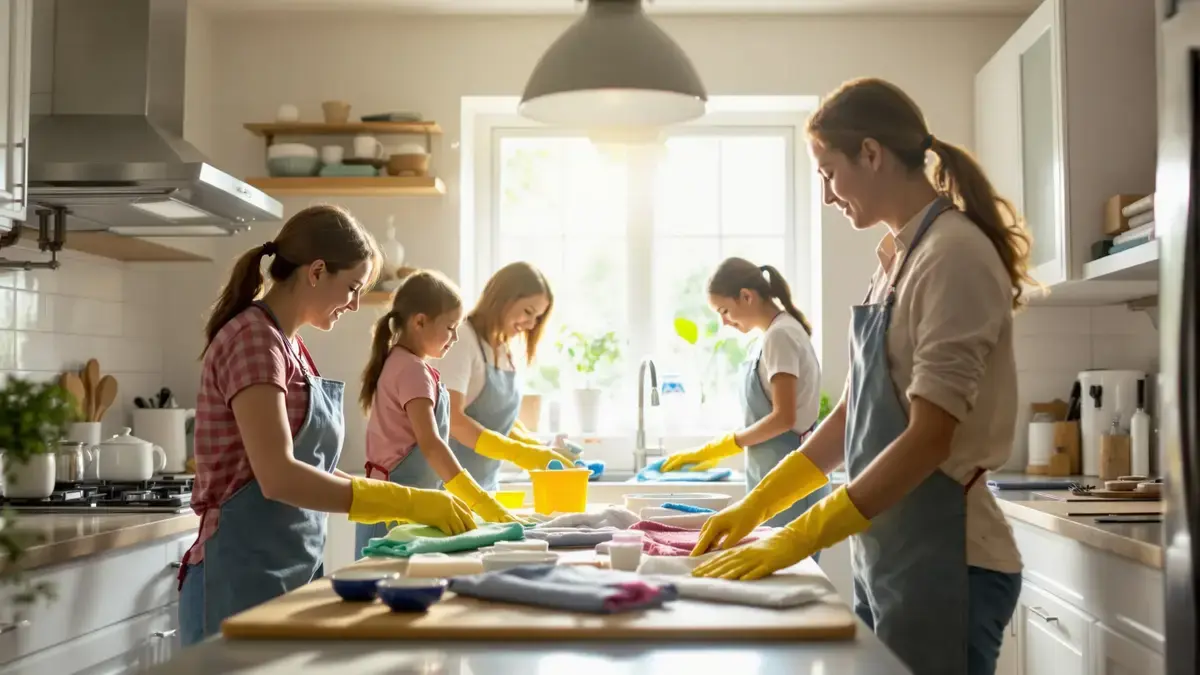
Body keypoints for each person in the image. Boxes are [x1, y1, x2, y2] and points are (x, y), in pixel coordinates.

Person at [690, 77, 1028, 675]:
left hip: (952, 559)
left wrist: (804, 533)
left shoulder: (953, 255)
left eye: (827, 172)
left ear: (870, 154)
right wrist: (761, 506)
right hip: (892, 551)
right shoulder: (897, 258)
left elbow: (930, 437)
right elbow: (851, 414)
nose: (825, 196)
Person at [178, 205, 476, 647]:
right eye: (353, 287)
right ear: (317, 271)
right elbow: (279, 477)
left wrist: (400, 501)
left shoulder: (289, 345)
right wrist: (406, 501)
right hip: (237, 576)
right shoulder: (254, 340)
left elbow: (307, 465)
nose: (355, 305)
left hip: (285, 569)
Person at [659, 258, 829, 559]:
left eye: (724, 310)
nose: (723, 321)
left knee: (786, 574)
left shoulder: (780, 336)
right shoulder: (773, 335)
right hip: (773, 473)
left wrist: (724, 445)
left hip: (785, 477)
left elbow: (784, 417)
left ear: (747, 296)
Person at [355, 268, 526, 558]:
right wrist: (478, 499)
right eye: (450, 327)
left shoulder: (401, 363)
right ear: (420, 322)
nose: (456, 337)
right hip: (395, 512)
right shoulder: (412, 370)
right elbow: (431, 444)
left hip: (396, 505)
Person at [437, 262, 574, 490]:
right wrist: (520, 453)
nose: (531, 324)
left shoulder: (502, 350)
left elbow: (497, 421)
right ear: (502, 298)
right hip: (448, 488)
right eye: (528, 312)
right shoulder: (462, 339)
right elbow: (451, 420)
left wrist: (539, 449)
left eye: (537, 317)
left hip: (485, 488)